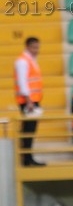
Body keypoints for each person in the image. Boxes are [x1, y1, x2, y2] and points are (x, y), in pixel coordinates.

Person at [14, 36, 44, 166]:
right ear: (27, 46)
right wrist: (28, 100)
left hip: (32, 100)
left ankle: (28, 158)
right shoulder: (22, 61)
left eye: (37, 47)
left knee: (30, 130)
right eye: (34, 47)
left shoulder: (30, 60)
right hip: (28, 101)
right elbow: (22, 82)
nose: (36, 50)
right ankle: (26, 159)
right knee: (28, 130)